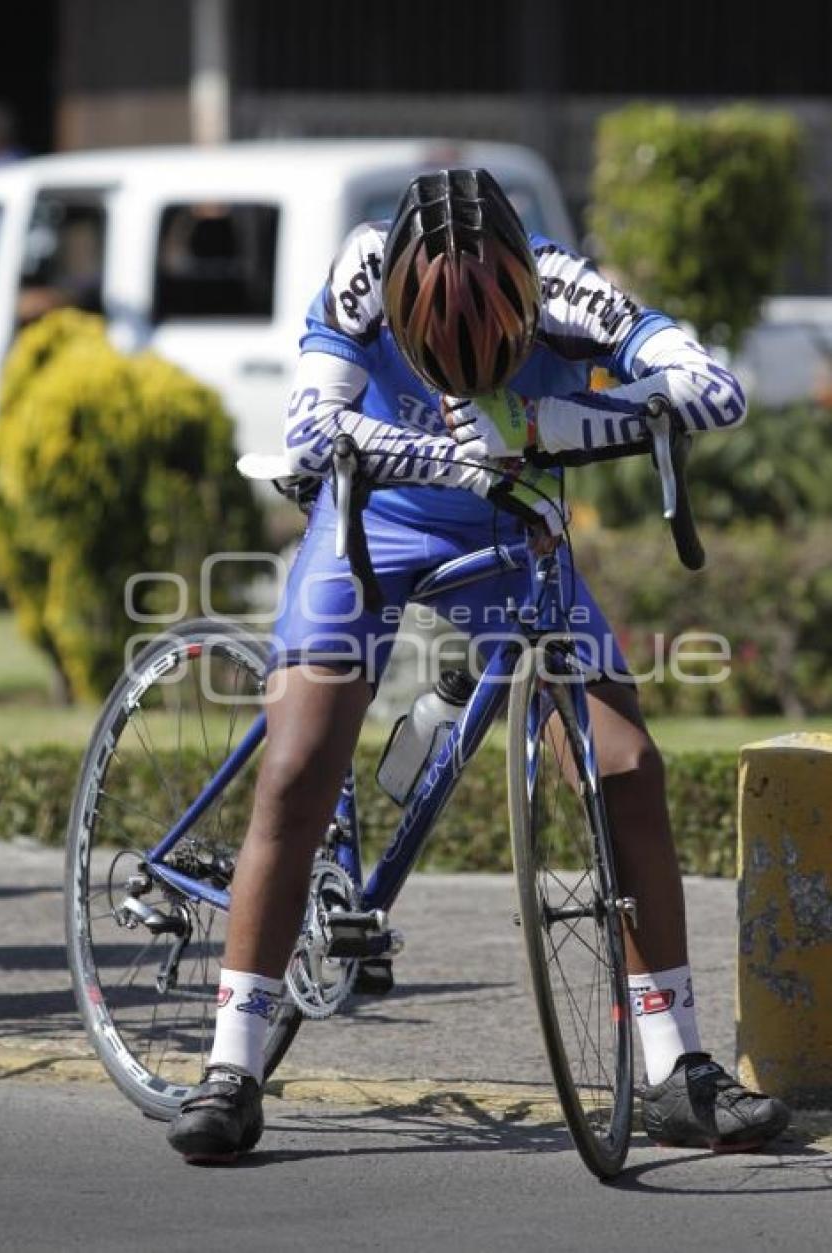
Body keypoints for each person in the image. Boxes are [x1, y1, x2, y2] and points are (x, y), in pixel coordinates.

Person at [167, 168, 789, 1162]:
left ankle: (678, 1068)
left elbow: (712, 389)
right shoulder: (363, 266)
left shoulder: (566, 285)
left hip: (510, 537)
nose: (462, 381)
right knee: (299, 761)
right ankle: (231, 1066)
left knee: (627, 766)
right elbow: (309, 428)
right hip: (370, 524)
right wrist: (458, 455)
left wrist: (541, 427)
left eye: (492, 363)